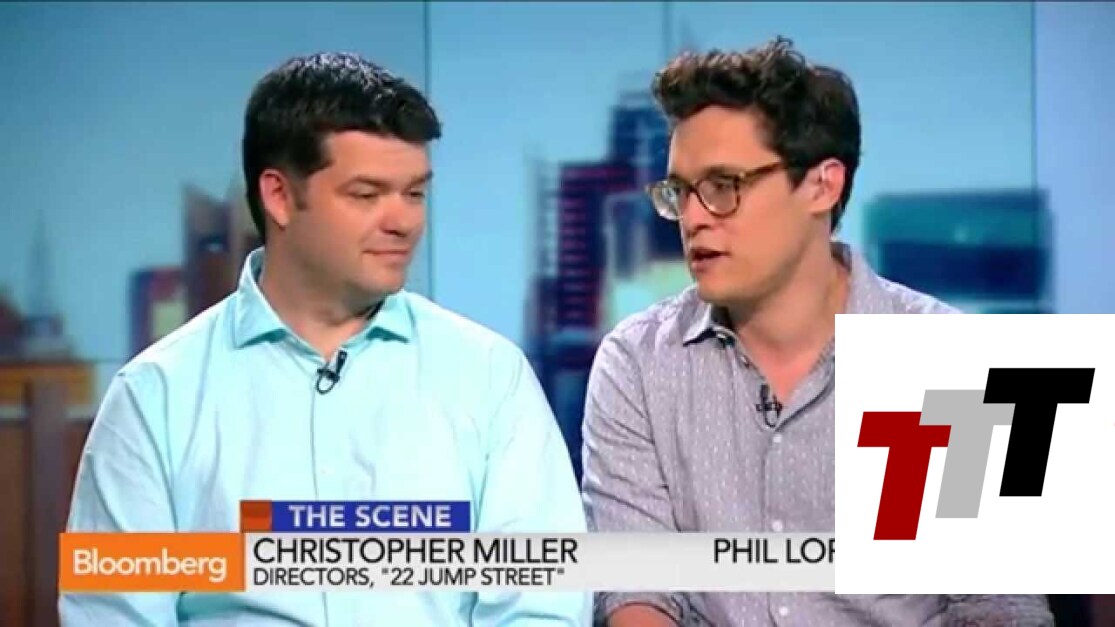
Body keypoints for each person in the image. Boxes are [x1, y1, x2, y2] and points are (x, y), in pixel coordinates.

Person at [62, 52, 589, 626]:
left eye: (414, 193)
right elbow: (113, 615)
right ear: (279, 196)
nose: (403, 221)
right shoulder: (156, 397)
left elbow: (541, 608)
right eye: (366, 194)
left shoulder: (488, 377)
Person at [581, 37, 1053, 626]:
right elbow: (637, 593)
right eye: (680, 192)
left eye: (724, 186)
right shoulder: (638, 363)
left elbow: (1001, 608)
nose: (695, 217)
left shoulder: (958, 362)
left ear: (822, 186)